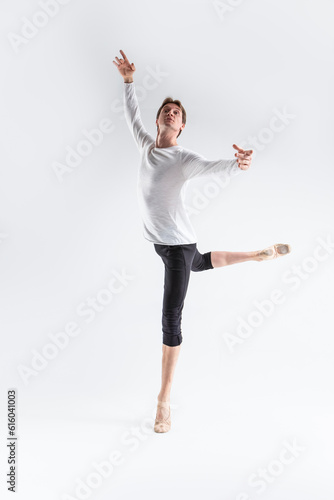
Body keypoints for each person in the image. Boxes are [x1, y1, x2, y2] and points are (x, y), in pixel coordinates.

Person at [113, 49, 291, 433]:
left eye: (177, 113)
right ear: (158, 119)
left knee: (170, 318)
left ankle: (163, 401)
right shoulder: (146, 146)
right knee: (200, 262)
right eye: (166, 110)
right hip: (173, 243)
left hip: (174, 246)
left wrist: (238, 163)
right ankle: (254, 256)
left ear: (181, 128)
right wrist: (129, 81)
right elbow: (130, 116)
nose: (171, 114)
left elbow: (214, 166)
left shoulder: (183, 158)